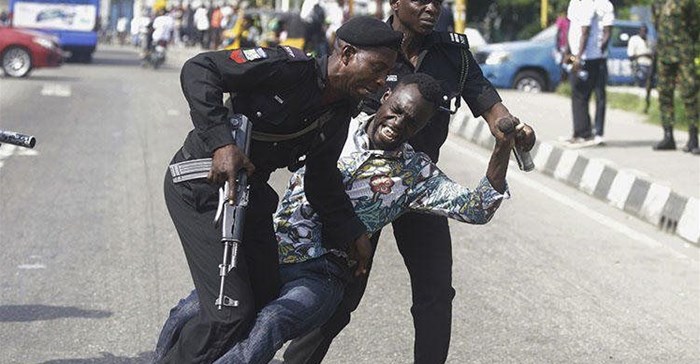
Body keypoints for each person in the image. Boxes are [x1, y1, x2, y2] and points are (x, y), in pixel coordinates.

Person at [153, 73, 517, 364]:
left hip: (322, 275)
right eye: (398, 111)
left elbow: (479, 207)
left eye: (412, 123)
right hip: (268, 249)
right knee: (195, 308)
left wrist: (501, 148)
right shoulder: (334, 129)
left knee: (271, 322)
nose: (399, 123)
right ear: (386, 98)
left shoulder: (416, 175)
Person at [284, 1, 537, 363]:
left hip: (420, 186)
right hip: (362, 187)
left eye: (438, 1)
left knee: (435, 293)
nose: (431, 7)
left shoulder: (455, 57)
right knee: (340, 290)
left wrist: (513, 130)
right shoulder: (369, 43)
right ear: (395, 3)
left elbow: (492, 109)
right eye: (421, 0)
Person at [157, 16, 402, 364]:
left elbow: (321, 179)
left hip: (248, 195)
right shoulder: (286, 68)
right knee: (229, 311)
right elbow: (199, 69)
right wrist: (220, 143)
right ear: (346, 54)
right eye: (376, 68)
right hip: (205, 185)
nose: (381, 81)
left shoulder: (338, 111)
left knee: (264, 293)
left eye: (386, 72)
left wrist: (353, 231)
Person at [562, 0, 614, 147]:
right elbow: (571, 30)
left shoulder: (591, 5)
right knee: (577, 93)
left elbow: (586, 31)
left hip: (591, 56)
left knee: (590, 94)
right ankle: (579, 132)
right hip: (578, 54)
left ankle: (591, 133)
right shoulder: (574, 3)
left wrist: (580, 56)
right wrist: (567, 52)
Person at [651, 0, 699, 154]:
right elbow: (657, 25)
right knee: (664, 93)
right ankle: (668, 136)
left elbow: (695, 26)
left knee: (690, 93)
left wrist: (687, 43)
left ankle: (693, 138)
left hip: (683, 52)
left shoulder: (687, 1)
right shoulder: (657, 2)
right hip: (664, 52)